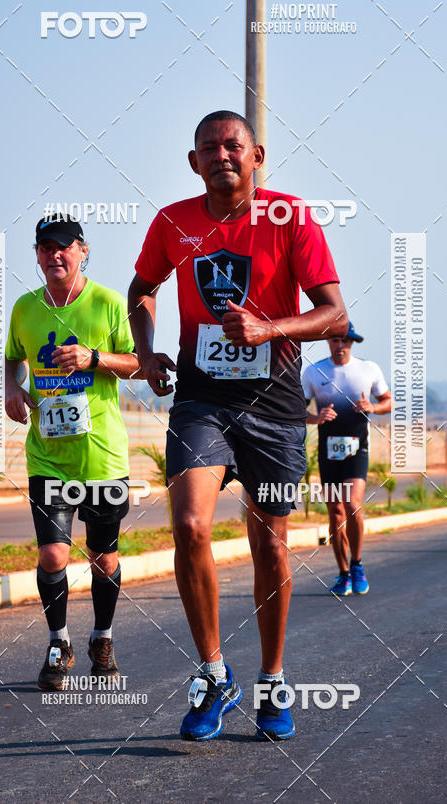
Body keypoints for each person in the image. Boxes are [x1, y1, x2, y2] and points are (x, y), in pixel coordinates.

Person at [128, 110, 348, 741]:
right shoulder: (173, 221)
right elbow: (140, 291)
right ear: (193, 162)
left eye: (234, 145)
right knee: (192, 524)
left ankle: (273, 678)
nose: (221, 154)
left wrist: (268, 328)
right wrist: (145, 352)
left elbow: (334, 313)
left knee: (269, 544)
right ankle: (214, 673)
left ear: (257, 156)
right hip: (201, 399)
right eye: (208, 147)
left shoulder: (291, 215)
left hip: (275, 402)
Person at [5, 214, 139, 690]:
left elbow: (138, 363)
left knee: (103, 559)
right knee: (52, 555)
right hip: (47, 455)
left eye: (64, 247)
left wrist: (94, 358)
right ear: (37, 255)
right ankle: (58, 642)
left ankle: (102, 637)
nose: (54, 255)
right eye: (46, 248)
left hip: (100, 455)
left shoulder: (106, 303)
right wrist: (12, 389)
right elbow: (12, 357)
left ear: (83, 250)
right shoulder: (24, 308)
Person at [303, 323, 391, 596]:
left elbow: (388, 401)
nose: (340, 345)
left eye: (345, 341)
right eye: (334, 340)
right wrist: (316, 418)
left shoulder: (369, 369)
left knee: (352, 505)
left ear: (352, 343)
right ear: (328, 342)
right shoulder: (314, 371)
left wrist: (373, 407)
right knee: (335, 512)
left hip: (357, 449)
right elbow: (296, 409)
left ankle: (357, 565)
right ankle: (343, 574)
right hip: (329, 452)